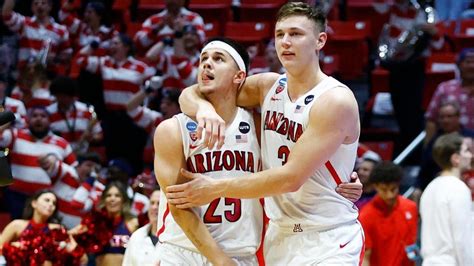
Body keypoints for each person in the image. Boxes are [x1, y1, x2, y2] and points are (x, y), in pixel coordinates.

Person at [170, 2, 364, 264]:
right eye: (279, 34)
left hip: (327, 238)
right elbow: (197, 92)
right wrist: (204, 109)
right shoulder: (267, 86)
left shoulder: (335, 100)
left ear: (320, 41)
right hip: (279, 235)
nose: (285, 42)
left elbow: (290, 178)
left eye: (295, 34)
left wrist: (215, 188)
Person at [154, 37, 262, 265]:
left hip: (241, 253)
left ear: (239, 76)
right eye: (203, 59)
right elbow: (179, 206)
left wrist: (342, 185)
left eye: (218, 58)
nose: (207, 64)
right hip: (182, 253)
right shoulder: (172, 129)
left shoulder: (258, 126)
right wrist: (221, 261)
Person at [0, 106, 77, 219]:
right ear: (28, 119)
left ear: (50, 121)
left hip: (46, 200)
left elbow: (74, 172)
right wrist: (9, 119)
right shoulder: (15, 135)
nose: (38, 119)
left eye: (43, 116)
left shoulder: (62, 143)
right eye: (35, 116)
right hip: (16, 197)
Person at [420, 132, 473, 265]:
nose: (470, 155)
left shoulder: (429, 188)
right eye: (466, 151)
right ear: (456, 158)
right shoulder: (458, 188)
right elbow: (462, 239)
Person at [0, 189, 83, 265]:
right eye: (47, 200)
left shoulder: (58, 229)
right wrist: (13, 247)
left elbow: (82, 259)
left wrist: (72, 248)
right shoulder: (17, 225)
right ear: (34, 203)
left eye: (54, 203)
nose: (51, 204)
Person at [360, 161, 418, 266]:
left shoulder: (411, 207)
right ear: (375, 187)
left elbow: (412, 246)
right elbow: (365, 257)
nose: (389, 195)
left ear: (398, 184)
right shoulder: (366, 215)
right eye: (384, 190)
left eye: (393, 189)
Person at [70, 181, 139, 266]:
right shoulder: (94, 223)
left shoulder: (132, 223)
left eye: (117, 195)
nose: (112, 199)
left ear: (123, 200)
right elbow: (68, 235)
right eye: (108, 195)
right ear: (104, 200)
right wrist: (80, 254)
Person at [419, 101, 474, 190]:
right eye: (442, 117)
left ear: (458, 117)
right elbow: (425, 168)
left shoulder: (471, 137)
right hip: (441, 183)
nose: (445, 120)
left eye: (449, 116)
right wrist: (418, 187)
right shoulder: (434, 140)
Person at [424, 48, 474, 145]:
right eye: (468, 62)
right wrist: (428, 147)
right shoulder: (444, 88)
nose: (472, 66)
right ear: (458, 65)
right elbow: (431, 120)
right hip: (449, 146)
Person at [47, 76, 103, 154]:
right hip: (57, 154)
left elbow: (99, 135)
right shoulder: (48, 112)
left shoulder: (86, 110)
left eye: (65, 96)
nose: (62, 99)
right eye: (59, 95)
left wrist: (92, 138)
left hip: (82, 155)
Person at [122, 189, 161, 266]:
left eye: (159, 203)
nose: (154, 207)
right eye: (152, 203)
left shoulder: (175, 238)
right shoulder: (136, 236)